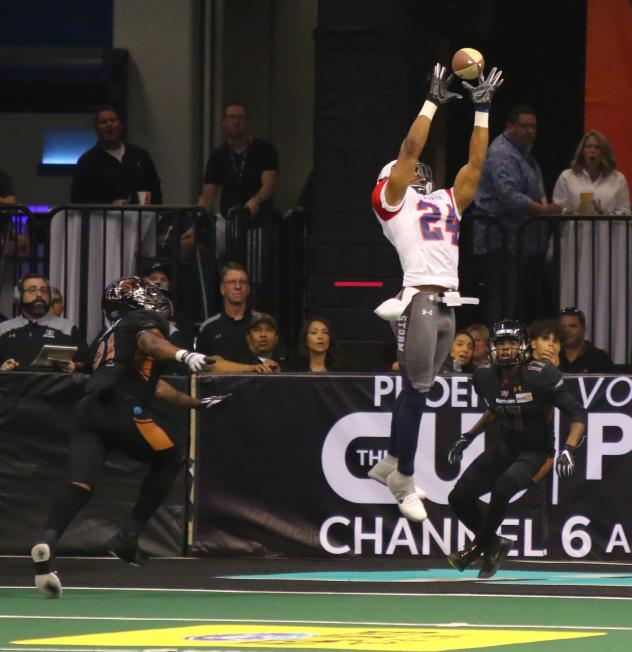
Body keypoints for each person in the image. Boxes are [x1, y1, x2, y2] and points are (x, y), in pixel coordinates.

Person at [30, 277, 229, 598]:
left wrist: (195, 403)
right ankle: (128, 535)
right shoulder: (140, 324)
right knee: (170, 458)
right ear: (133, 301)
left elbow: (156, 387)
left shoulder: (107, 335)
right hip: (118, 409)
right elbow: (150, 342)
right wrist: (183, 355)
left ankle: (47, 543)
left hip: (88, 411)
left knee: (80, 485)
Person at [366, 61, 504, 522]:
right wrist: (430, 102)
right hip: (421, 300)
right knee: (417, 388)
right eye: (411, 172)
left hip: (448, 304)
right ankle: (403, 476)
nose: (420, 173)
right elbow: (409, 149)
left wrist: (481, 109)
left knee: (421, 392)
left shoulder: (445, 200)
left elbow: (477, 165)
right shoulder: (393, 205)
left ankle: (389, 461)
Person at [446, 320, 586, 578]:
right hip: (506, 449)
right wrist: (468, 436)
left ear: (523, 346)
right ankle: (493, 544)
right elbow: (496, 408)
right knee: (458, 497)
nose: (506, 349)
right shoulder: (485, 375)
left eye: (511, 342)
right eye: (501, 343)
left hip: (537, 453)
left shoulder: (538, 374)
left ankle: (475, 549)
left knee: (501, 490)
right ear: (491, 348)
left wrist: (568, 448)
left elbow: (577, 412)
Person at [471, 105, 563, 324]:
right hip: (498, 238)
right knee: (501, 296)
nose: (530, 131)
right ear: (510, 126)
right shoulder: (503, 153)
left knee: (512, 295)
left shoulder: (523, 153)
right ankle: (497, 342)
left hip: (516, 239)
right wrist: (542, 210)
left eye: (533, 126)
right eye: (524, 126)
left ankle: (509, 341)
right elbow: (507, 194)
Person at [198, 102, 278, 220]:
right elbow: (208, 197)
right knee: (207, 234)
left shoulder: (264, 149)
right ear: (224, 123)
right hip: (229, 218)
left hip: (259, 218)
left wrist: (256, 200)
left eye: (240, 117)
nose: (235, 121)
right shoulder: (218, 155)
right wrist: (197, 219)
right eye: (231, 117)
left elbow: (269, 185)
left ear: (247, 122)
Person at [196, 262, 287, 363]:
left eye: (243, 282)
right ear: (222, 289)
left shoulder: (264, 322)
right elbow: (199, 367)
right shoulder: (208, 327)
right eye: (232, 282)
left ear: (248, 289)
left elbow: (281, 361)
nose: (238, 286)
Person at [70, 106, 162, 205]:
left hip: (141, 218)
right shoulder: (87, 161)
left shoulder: (140, 155)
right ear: (97, 130)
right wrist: (110, 205)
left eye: (113, 120)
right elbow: (79, 199)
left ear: (120, 126)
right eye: (103, 122)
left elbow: (155, 188)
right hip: (104, 218)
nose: (109, 124)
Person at [0, 273, 89, 372]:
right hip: (14, 387)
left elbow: (86, 363)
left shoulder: (67, 327)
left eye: (43, 290)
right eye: (32, 290)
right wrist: (2, 370)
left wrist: (74, 366)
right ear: (19, 296)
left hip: (55, 387)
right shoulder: (3, 329)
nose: (39, 295)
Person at [552, 130, 630, 215]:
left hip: (605, 228)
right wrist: (575, 212)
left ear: (604, 152)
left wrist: (605, 215)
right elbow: (557, 210)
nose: (593, 150)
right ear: (582, 151)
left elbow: (625, 211)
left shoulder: (618, 179)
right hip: (577, 228)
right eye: (589, 146)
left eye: (597, 147)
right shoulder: (567, 177)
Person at [558, 306, 614, 373]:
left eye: (573, 326)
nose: (567, 330)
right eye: (563, 326)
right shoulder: (552, 356)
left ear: (584, 330)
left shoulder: (600, 358)